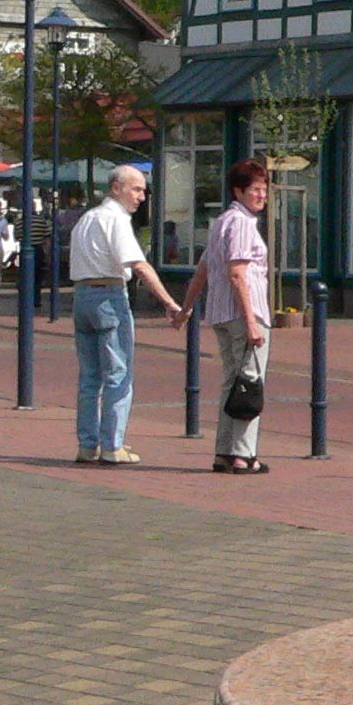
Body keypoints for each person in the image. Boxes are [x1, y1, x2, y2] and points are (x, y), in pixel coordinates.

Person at [68, 167, 185, 464]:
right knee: (118, 374)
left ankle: (87, 444)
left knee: (90, 376)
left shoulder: (87, 218)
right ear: (116, 188)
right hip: (108, 294)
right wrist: (170, 303)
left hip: (82, 296)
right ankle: (111, 445)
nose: (142, 197)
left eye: (143, 191)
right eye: (136, 189)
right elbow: (139, 266)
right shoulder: (116, 220)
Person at [176, 159, 272, 473]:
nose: (261, 195)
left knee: (232, 383)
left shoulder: (221, 222)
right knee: (249, 383)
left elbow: (203, 270)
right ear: (238, 190)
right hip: (245, 313)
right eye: (255, 189)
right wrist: (251, 322)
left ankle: (224, 452)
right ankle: (244, 454)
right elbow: (237, 274)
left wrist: (186, 308)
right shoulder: (243, 224)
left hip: (220, 314)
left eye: (264, 189)